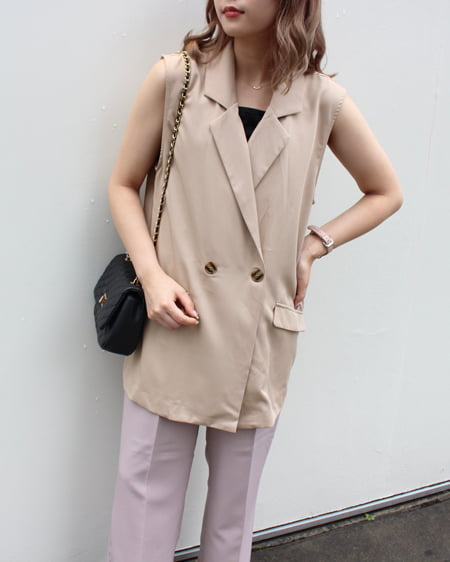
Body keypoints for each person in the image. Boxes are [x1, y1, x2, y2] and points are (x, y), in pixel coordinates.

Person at [105, 0, 403, 560]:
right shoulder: (176, 78)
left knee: (232, 520)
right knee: (143, 512)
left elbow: (386, 191)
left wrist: (314, 245)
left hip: (259, 333)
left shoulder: (322, 100)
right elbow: (124, 183)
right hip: (175, 318)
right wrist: (151, 276)